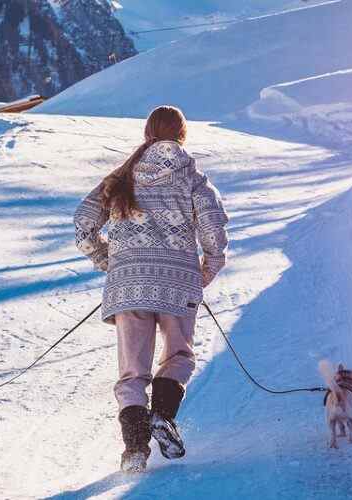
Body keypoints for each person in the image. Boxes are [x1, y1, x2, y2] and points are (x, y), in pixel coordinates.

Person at [73, 105, 229, 473]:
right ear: (181, 135)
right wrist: (206, 270)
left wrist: (109, 261)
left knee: (132, 372)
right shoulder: (192, 174)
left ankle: (135, 452)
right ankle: (162, 415)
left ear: (147, 134)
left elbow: (83, 223)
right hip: (178, 282)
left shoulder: (121, 176)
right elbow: (212, 227)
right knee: (178, 356)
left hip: (129, 286)